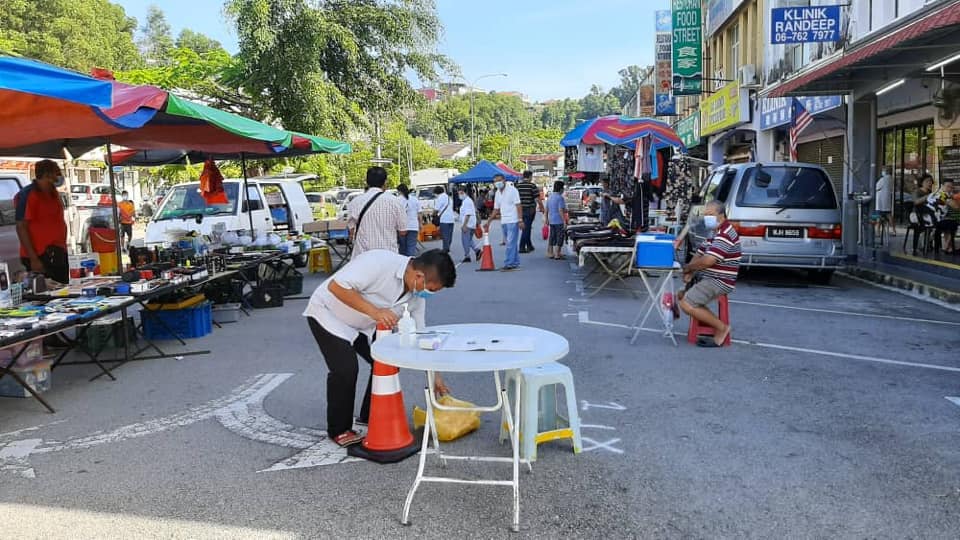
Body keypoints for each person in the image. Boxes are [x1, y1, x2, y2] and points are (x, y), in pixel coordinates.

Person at [303, 249, 456, 447]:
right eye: (431, 290)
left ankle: (369, 414)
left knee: (387, 362)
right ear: (419, 276)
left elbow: (420, 337)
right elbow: (336, 287)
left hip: (362, 323)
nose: (429, 295)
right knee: (346, 369)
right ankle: (339, 429)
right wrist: (375, 312)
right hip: (328, 314)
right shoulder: (379, 262)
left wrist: (436, 376)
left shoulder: (416, 297)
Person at [678, 201, 741, 348]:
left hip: (719, 280)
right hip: (708, 277)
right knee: (680, 295)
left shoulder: (725, 234)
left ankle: (721, 328)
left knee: (686, 303)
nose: (707, 218)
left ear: (721, 215)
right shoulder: (714, 232)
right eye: (706, 215)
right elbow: (699, 253)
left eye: (711, 215)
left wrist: (688, 267)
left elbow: (707, 261)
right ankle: (707, 323)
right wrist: (690, 272)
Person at [15, 159, 68, 283]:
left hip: (57, 252)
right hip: (40, 255)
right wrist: (34, 259)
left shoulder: (53, 193)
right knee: (44, 292)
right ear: (47, 174)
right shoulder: (28, 194)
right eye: (57, 173)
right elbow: (21, 226)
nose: (59, 177)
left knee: (62, 289)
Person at [347, 167, 406, 257]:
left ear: (366, 182)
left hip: (362, 256)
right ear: (385, 182)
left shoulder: (355, 202)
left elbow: (351, 229)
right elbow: (403, 231)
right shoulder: (395, 202)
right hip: (388, 255)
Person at [485, 174, 523, 271]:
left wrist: (520, 220)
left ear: (504, 180)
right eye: (495, 181)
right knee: (510, 243)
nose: (497, 183)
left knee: (510, 243)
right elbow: (496, 209)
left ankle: (509, 263)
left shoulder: (512, 190)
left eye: (499, 180)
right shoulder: (497, 193)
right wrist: (488, 221)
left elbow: (518, 205)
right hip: (504, 221)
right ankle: (514, 262)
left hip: (513, 220)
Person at [516, 171, 545, 253]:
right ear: (529, 177)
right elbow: (537, 199)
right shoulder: (532, 186)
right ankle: (522, 246)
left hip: (519, 210)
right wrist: (542, 208)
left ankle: (529, 245)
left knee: (527, 227)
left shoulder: (518, 186)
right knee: (527, 228)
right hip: (529, 209)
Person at [457, 185, 482, 263]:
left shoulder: (467, 201)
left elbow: (467, 214)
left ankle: (467, 256)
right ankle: (477, 251)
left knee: (465, 240)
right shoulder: (467, 201)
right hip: (471, 223)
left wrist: (464, 225)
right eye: (459, 193)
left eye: (461, 193)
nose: (459, 195)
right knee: (469, 239)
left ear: (464, 192)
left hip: (468, 224)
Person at [546, 180, 569, 260]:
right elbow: (560, 210)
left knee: (552, 236)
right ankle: (557, 254)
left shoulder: (550, 197)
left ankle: (550, 253)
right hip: (559, 221)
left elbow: (546, 209)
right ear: (560, 188)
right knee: (560, 237)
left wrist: (546, 219)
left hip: (552, 220)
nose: (563, 190)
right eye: (563, 188)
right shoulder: (560, 198)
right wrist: (564, 221)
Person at [396, 184, 420, 256]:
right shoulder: (415, 199)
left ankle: (403, 264)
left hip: (402, 227)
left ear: (399, 191)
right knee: (411, 247)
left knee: (402, 247)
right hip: (413, 226)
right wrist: (420, 224)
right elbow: (419, 213)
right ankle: (411, 263)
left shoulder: (397, 200)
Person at [875, 167, 896, 236]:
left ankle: (878, 231)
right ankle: (893, 230)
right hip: (887, 199)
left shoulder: (883, 179)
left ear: (885, 171)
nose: (882, 172)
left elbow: (877, 187)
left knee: (878, 215)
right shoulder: (891, 179)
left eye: (883, 171)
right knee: (889, 214)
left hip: (881, 200)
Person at [433, 186, 455, 252]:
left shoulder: (440, 198)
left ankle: (445, 250)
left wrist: (433, 214)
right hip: (451, 219)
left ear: (437, 192)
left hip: (444, 219)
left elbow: (436, 209)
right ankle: (447, 247)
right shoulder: (449, 198)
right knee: (449, 236)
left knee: (445, 236)